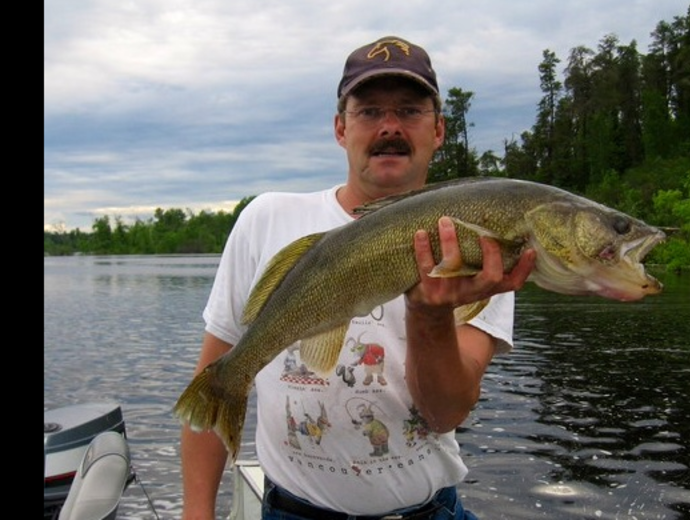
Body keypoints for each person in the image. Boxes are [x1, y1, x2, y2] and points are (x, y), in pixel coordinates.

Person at [180, 35, 536, 520]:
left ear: (439, 131)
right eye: (369, 111)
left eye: (410, 111)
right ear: (340, 128)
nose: (390, 127)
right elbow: (216, 376)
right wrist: (196, 514)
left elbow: (443, 414)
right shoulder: (266, 219)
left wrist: (430, 315)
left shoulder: (481, 246)